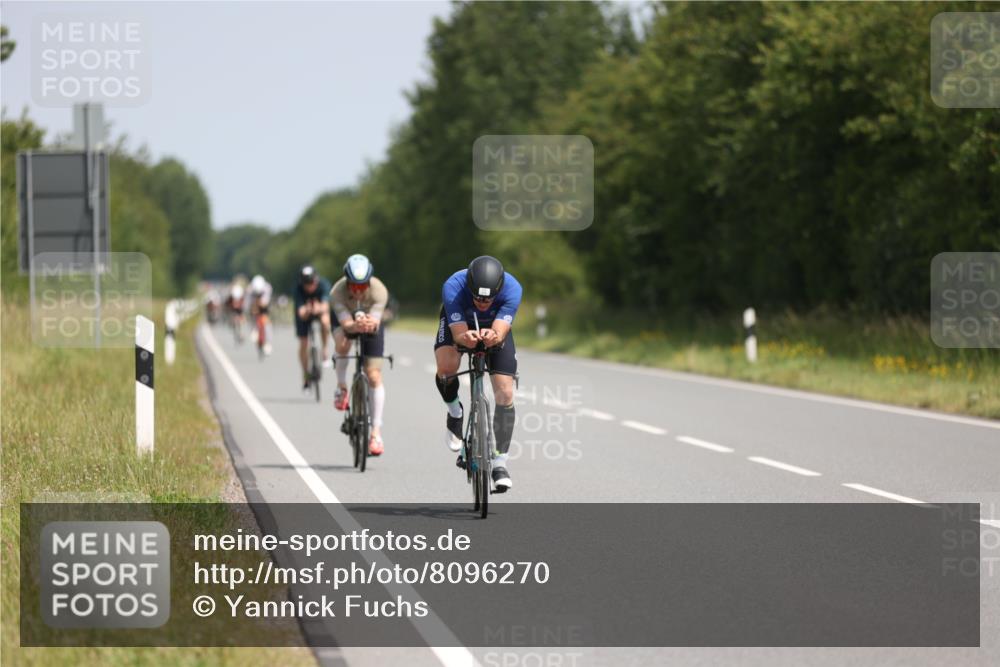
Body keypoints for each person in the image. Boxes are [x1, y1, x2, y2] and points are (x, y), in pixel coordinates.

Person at [434, 255, 522, 492]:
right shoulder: (453, 286)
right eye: (477, 298)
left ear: (499, 289)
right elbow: (459, 333)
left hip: (494, 326)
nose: (482, 302)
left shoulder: (513, 288)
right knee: (446, 369)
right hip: (460, 323)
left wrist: (494, 335)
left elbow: (501, 329)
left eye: (488, 299)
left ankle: (500, 463)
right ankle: (455, 412)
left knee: (505, 392)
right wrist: (466, 338)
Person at [330, 254, 390, 456]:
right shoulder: (337, 293)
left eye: (362, 286)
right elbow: (346, 324)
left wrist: (369, 323)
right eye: (353, 286)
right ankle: (341, 387)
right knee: (344, 344)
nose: (357, 291)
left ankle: (376, 433)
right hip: (346, 321)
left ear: (368, 282)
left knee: (373, 375)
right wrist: (353, 326)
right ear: (346, 282)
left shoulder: (379, 290)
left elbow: (374, 321)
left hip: (370, 323)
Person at [293, 265, 333, 389]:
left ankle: (325, 349)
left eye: (312, 283)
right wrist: (307, 310)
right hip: (305, 315)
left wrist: (317, 308)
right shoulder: (298, 289)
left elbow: (325, 306)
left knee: (325, 321)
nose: (310, 286)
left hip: (319, 311)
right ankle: (306, 375)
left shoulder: (323, 284)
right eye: (307, 284)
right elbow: (300, 312)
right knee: (304, 343)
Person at [248, 274, 273, 356]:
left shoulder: (267, 288)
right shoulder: (250, 290)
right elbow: (249, 304)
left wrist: (260, 303)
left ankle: (268, 343)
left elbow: (265, 303)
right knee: (253, 317)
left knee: (266, 323)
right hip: (254, 305)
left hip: (264, 307)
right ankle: (253, 330)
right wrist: (253, 309)